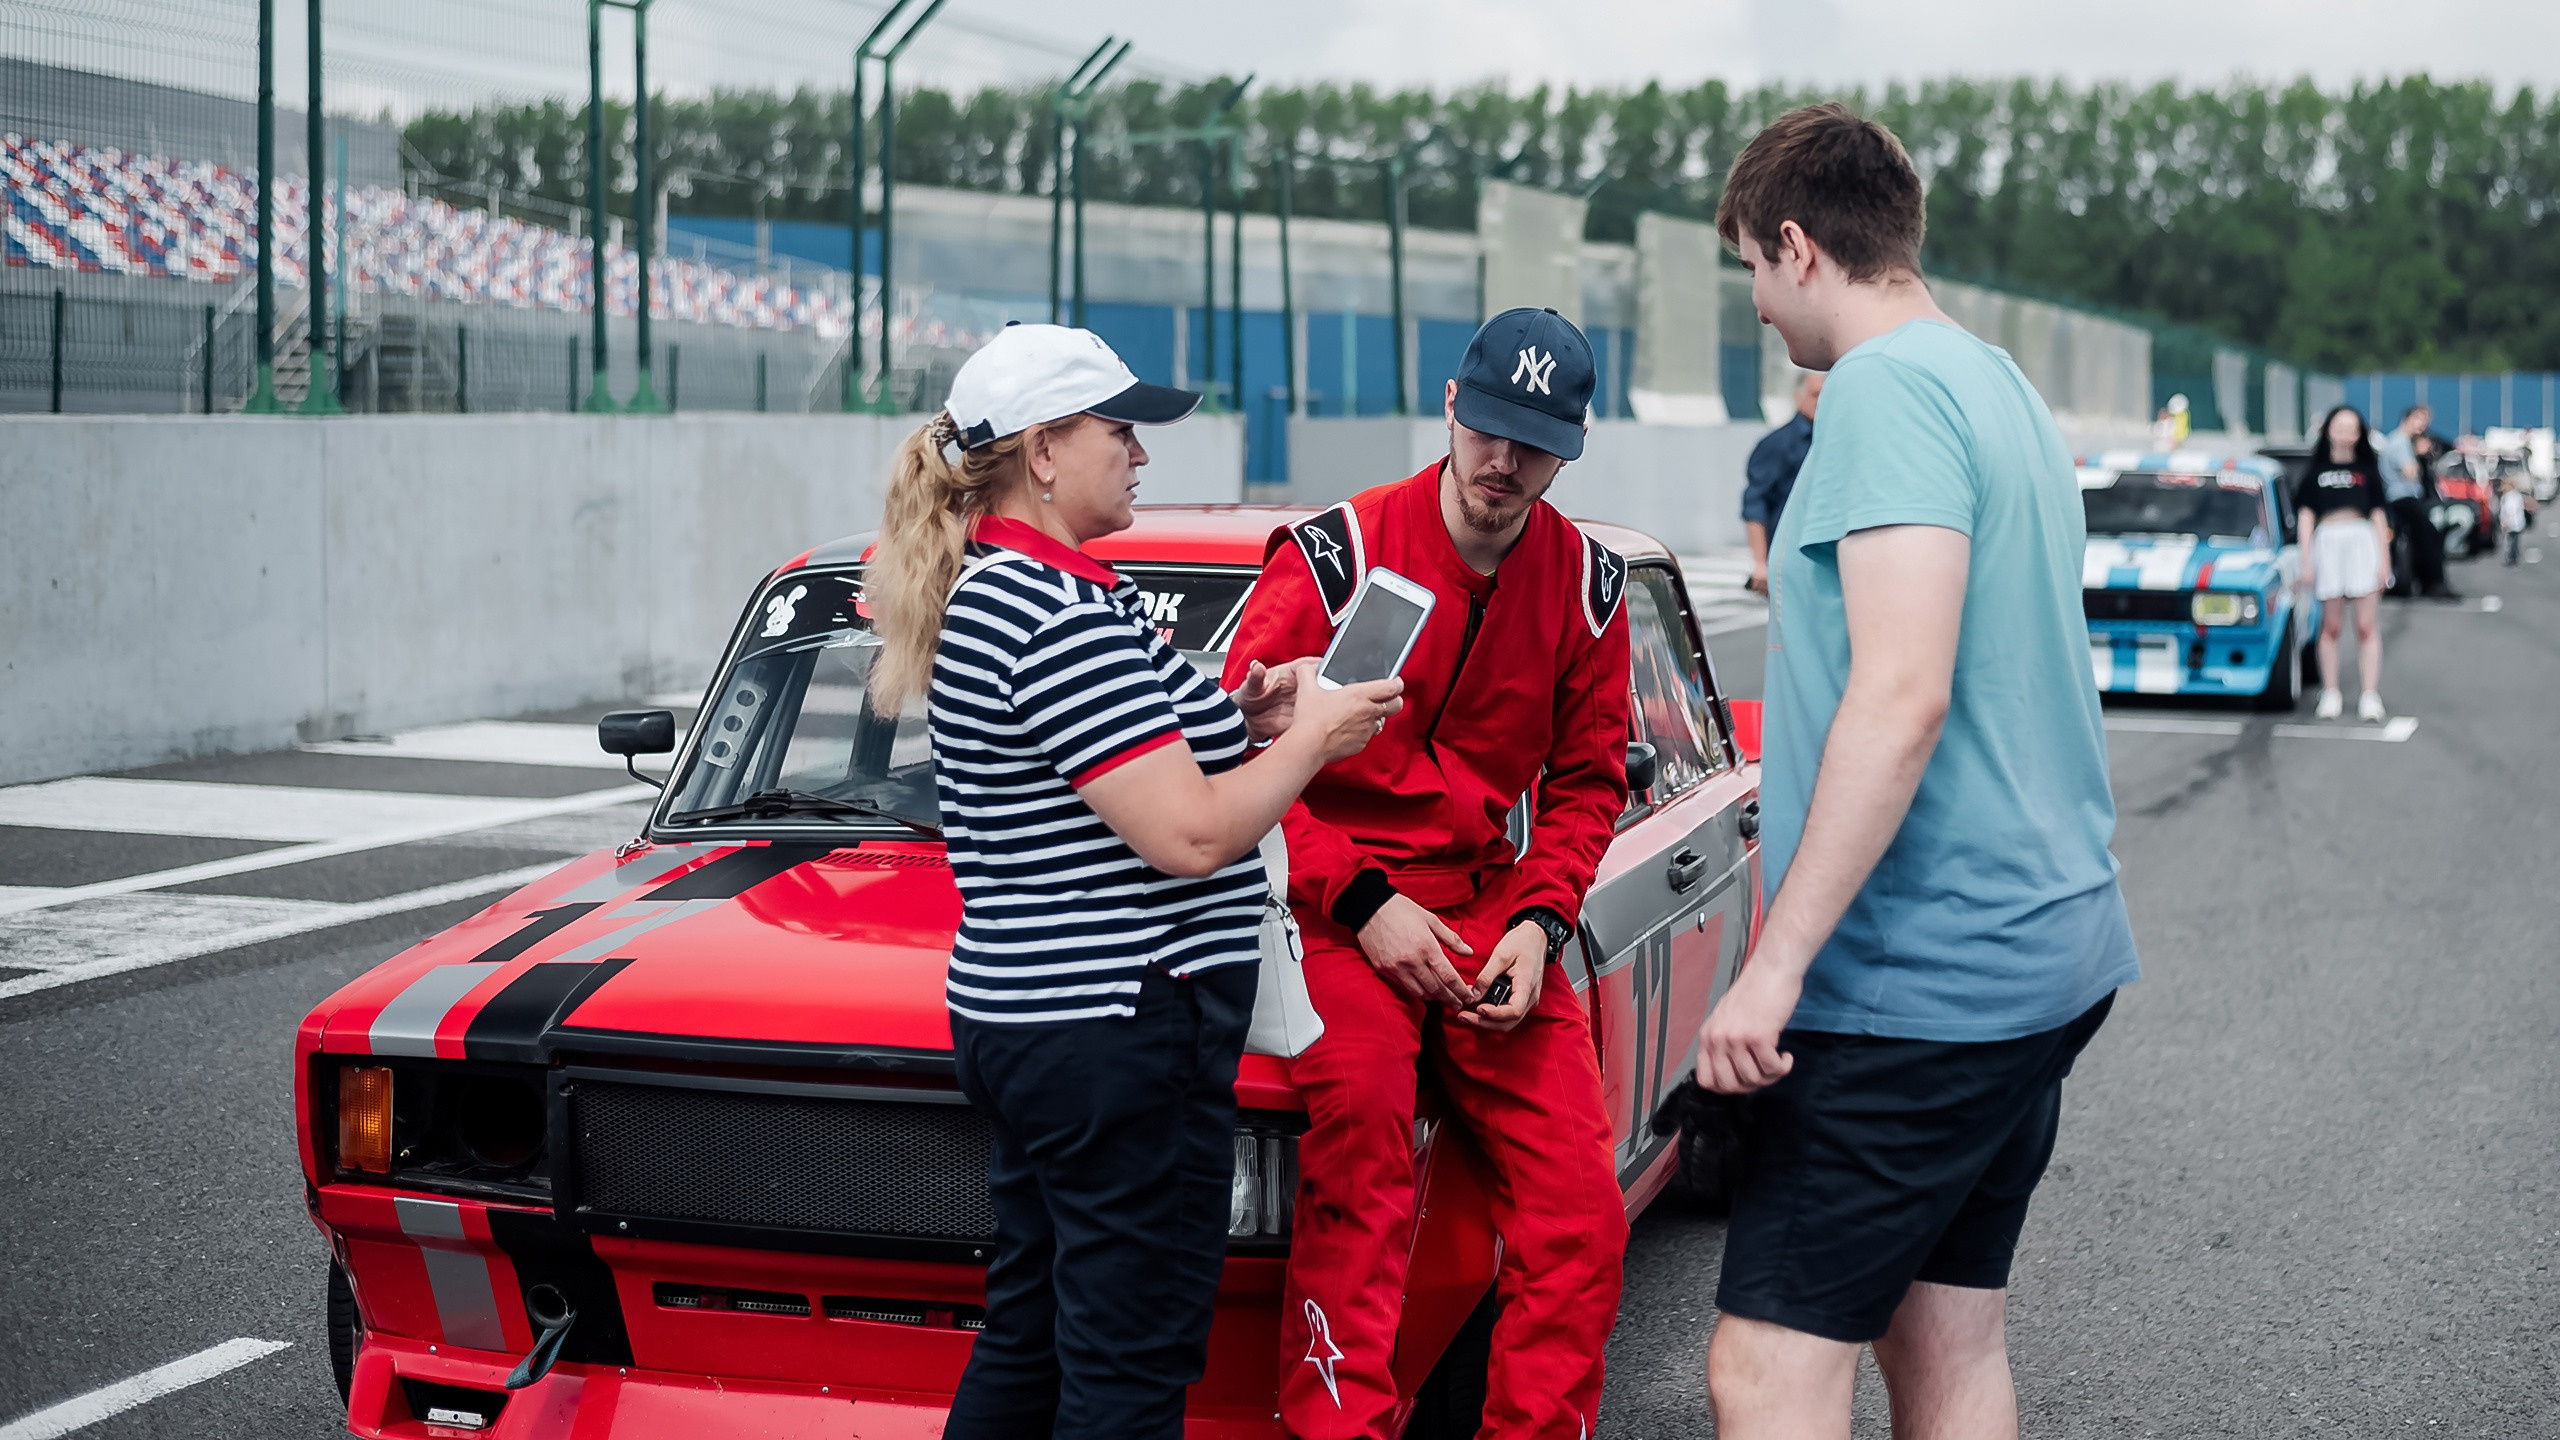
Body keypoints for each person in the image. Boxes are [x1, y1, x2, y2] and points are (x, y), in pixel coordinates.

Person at [865, 323, 1404, 1440]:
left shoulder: (1031, 591)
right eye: (1119, 431)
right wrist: (1312, 740)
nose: (1140, 454)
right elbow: (1192, 836)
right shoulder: (1055, 616)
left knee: (1032, 1331)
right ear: (1043, 451)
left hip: (1047, 1023)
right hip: (1115, 1030)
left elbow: (1142, 744)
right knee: (1130, 1361)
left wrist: (1246, 713)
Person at [1692, 103, 2139, 1440]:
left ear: (1797, 245)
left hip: (1915, 984)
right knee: (1945, 1342)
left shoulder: (1882, 391)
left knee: (1765, 1368)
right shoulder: (1995, 381)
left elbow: (1902, 695)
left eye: (1753, 270)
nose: (1758, 305)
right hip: (2041, 951)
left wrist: (1773, 968)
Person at [1221, 306, 1634, 1440]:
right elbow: (1236, 760)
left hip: (1489, 908)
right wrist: (1364, 902)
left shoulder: (1589, 587)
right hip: (1328, 907)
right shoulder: (1335, 554)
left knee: (1581, 1213)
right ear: (1450, 405)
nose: (1503, 461)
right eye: (1488, 427)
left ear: (1570, 447)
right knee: (1361, 1167)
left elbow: (1590, 784)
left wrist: (1541, 923)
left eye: (1534, 442)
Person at [2299, 404, 2395, 723]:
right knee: (2331, 626)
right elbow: (2306, 516)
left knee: (2366, 625)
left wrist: (2385, 560)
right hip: (2328, 541)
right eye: (2338, 426)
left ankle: (2370, 694)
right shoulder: (2315, 472)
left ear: (2358, 434)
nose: (2344, 433)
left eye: (2351, 428)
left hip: (2362, 542)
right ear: (2328, 430)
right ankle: (2331, 692)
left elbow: (2378, 515)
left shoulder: (2367, 471)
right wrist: (2306, 559)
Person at [1744, 371, 1823, 593]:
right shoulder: (1777, 444)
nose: (1820, 402)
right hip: (1787, 558)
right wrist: (1760, 563)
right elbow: (1755, 504)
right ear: (1798, 397)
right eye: (1815, 395)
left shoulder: (1833, 440)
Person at [2376, 404, 2457, 600]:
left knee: (2424, 538)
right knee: (2430, 538)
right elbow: (2410, 473)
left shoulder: (2398, 441)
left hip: (2401, 500)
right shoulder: (2401, 443)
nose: (2422, 426)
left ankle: (2426, 581)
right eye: (2419, 420)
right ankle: (2433, 583)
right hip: (2402, 499)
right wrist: (2420, 457)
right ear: (2407, 419)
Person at [2500, 474, 2533, 566]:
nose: (2502, 487)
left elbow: (2510, 511)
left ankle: (2512, 559)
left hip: (2512, 523)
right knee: (2515, 541)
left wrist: (2506, 523)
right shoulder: (2516, 495)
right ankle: (2514, 558)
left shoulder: (2509, 497)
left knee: (2511, 542)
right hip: (2517, 523)